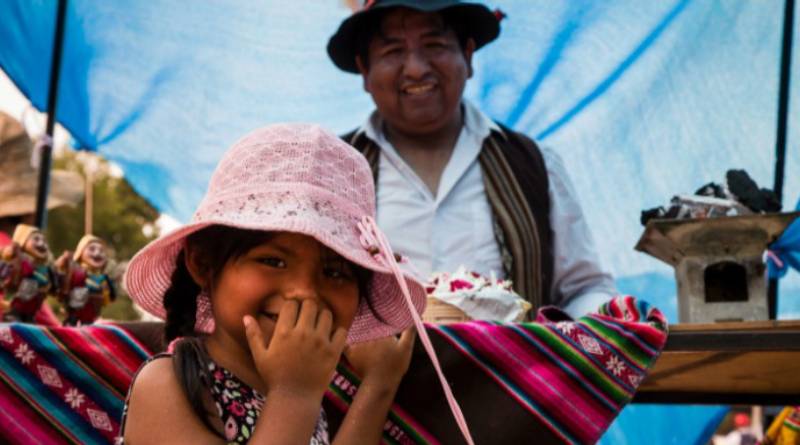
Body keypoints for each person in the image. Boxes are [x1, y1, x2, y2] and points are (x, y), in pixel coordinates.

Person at [119, 124, 429, 444]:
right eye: (272, 261)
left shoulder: (302, 386)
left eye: (335, 272)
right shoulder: (166, 385)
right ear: (203, 263)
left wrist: (378, 385)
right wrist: (294, 394)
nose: (304, 292)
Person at [327, 0, 616, 317]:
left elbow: (584, 288)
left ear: (467, 55)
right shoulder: (331, 171)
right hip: (373, 369)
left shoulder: (534, 164)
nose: (416, 68)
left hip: (512, 367)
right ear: (365, 71)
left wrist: (589, 333)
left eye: (434, 45)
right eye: (393, 52)